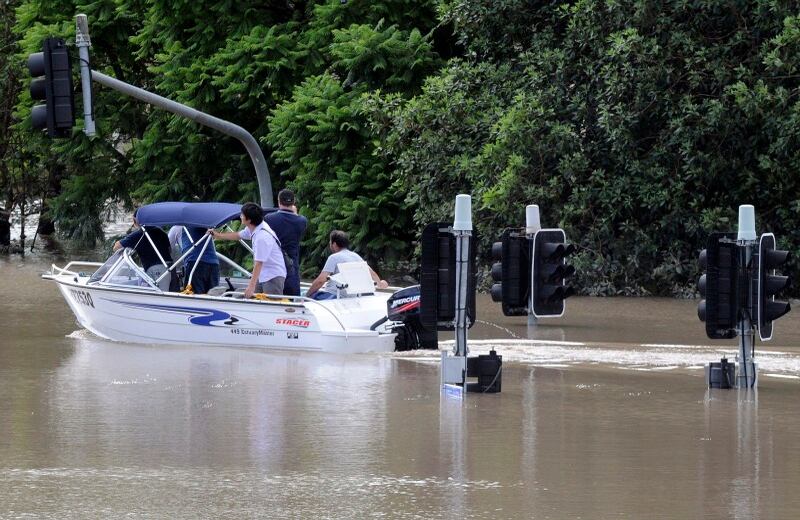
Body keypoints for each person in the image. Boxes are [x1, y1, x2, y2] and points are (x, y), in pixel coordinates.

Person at [209, 202, 286, 298]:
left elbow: (259, 263)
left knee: (270, 305)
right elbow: (238, 235)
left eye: (242, 215)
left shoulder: (262, 237)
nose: (240, 216)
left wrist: (251, 286)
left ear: (249, 220)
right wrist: (218, 235)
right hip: (262, 274)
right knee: (251, 298)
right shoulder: (254, 227)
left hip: (272, 276)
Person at [306, 230, 388, 300]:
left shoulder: (333, 257)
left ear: (334, 244)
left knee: (307, 295)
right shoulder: (356, 256)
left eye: (330, 242)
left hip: (334, 296)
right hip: (351, 297)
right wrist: (380, 284)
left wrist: (307, 295)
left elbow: (320, 281)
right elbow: (371, 273)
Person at [113, 210, 173, 291]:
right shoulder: (161, 232)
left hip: (156, 270)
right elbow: (169, 250)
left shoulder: (139, 234)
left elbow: (116, 247)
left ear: (136, 220)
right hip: (169, 267)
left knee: (159, 298)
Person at [264, 189, 308, 296]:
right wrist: (295, 212)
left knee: (273, 301)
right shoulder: (302, 221)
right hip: (292, 267)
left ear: (279, 201)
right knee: (292, 301)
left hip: (274, 268)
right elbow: (297, 220)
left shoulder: (269, 218)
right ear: (293, 202)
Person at [168, 225, 220, 294]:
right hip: (214, 263)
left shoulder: (176, 228)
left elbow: (167, 247)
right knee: (213, 296)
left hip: (195, 263)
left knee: (194, 296)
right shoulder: (204, 226)